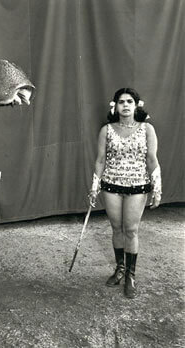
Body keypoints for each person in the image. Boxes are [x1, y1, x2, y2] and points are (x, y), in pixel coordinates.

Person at [89, 87, 162, 299]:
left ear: (136, 105)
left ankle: (131, 274)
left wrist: (157, 188)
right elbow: (101, 160)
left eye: (129, 101)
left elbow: (151, 159)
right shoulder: (107, 130)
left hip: (138, 185)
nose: (126, 105)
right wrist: (94, 187)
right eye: (121, 102)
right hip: (111, 184)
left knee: (131, 229)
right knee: (116, 227)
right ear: (115, 106)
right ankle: (119, 269)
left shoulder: (147, 129)